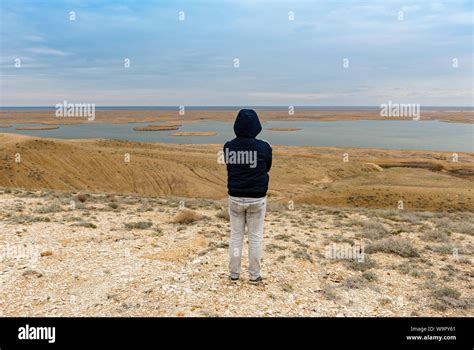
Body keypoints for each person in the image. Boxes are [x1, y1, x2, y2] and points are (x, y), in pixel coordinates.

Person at [223, 109, 272, 283]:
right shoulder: (264, 147)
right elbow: (267, 168)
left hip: (235, 196)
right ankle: (254, 275)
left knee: (236, 236)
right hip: (257, 198)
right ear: (257, 126)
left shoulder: (228, 146)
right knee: (255, 238)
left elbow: (229, 166)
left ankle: (234, 274)